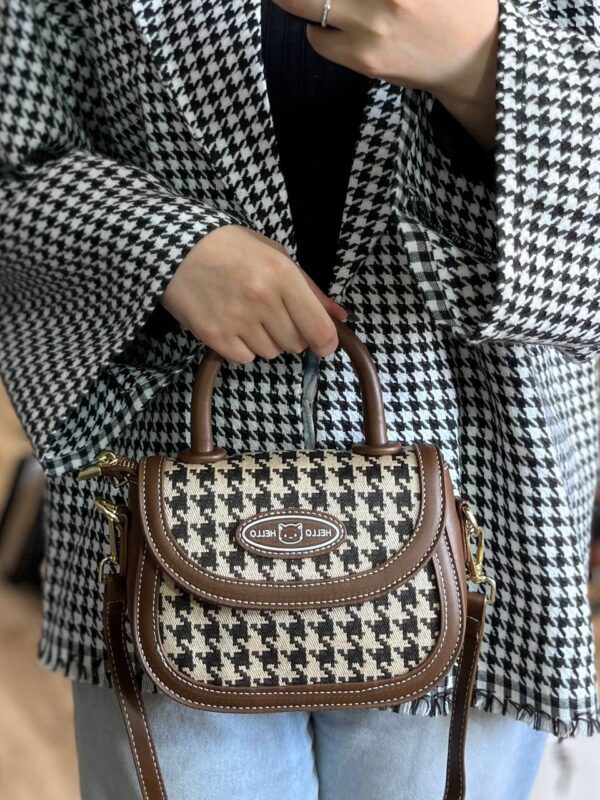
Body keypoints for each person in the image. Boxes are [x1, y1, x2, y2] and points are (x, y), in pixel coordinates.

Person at [1, 0, 598, 798]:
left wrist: (488, 66)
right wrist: (164, 248)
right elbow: (15, 153)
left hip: (481, 468)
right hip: (161, 476)